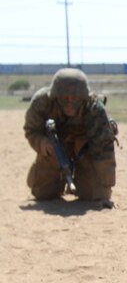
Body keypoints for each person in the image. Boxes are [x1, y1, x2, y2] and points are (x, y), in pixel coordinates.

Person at [23, 67, 117, 208]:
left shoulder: (94, 109)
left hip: (85, 147)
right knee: (43, 193)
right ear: (56, 96)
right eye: (65, 98)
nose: (70, 103)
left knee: (95, 194)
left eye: (75, 98)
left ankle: (84, 180)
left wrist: (105, 186)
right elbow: (31, 130)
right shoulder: (42, 102)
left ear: (83, 97)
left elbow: (103, 148)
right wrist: (43, 144)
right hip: (55, 146)